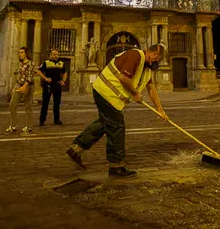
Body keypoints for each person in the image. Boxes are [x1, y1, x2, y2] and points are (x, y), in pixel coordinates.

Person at [66, 44, 168, 177]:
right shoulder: (135, 55)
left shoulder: (146, 68)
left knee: (105, 123)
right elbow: (123, 78)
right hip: (106, 92)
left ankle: (76, 149)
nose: (156, 63)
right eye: (158, 60)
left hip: (112, 97)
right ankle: (116, 165)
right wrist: (135, 93)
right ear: (154, 54)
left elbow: (151, 89)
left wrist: (160, 109)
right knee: (116, 127)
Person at [7, 47, 36, 134]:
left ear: (26, 53)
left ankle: (29, 127)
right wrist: (15, 87)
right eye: (19, 52)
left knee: (28, 106)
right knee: (12, 105)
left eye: (22, 52)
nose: (20, 54)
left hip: (29, 86)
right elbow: (19, 76)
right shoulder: (20, 63)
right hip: (19, 85)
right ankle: (13, 126)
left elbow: (30, 76)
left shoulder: (31, 63)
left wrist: (24, 87)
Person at [37, 50, 67, 126]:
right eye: (54, 54)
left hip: (57, 84)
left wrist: (63, 80)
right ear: (51, 55)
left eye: (57, 54)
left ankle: (57, 120)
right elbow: (39, 71)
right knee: (45, 102)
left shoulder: (61, 63)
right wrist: (45, 78)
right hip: (48, 85)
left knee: (57, 103)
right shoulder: (46, 63)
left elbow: (65, 72)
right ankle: (42, 120)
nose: (55, 56)